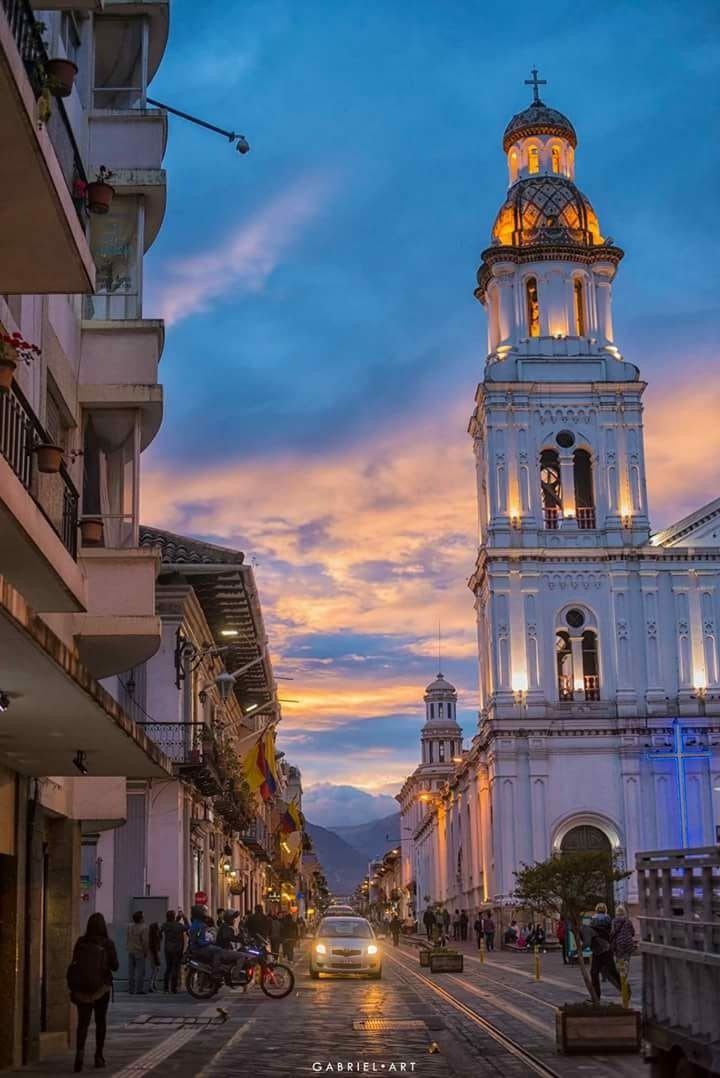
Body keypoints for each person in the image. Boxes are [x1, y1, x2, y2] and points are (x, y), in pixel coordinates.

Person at [68, 912, 119, 1072]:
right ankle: (98, 1056)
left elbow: (74, 963)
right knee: (100, 1021)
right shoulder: (107, 943)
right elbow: (115, 966)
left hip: (82, 990)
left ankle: (80, 1055)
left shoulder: (81, 942)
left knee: (82, 1023)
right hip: (101, 988)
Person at [590, 903, 622, 998]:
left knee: (594, 972)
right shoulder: (609, 920)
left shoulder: (593, 920)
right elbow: (612, 934)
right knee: (612, 970)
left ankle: (596, 995)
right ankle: (624, 988)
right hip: (607, 949)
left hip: (597, 949)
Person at [188, 904, 225, 972]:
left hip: (194, 948)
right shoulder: (200, 925)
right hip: (199, 948)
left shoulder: (194, 923)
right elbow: (199, 941)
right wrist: (209, 942)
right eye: (204, 912)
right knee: (218, 950)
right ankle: (215, 970)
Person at [160, 910, 187, 993]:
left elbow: (160, 932)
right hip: (177, 949)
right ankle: (173, 988)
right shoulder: (179, 925)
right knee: (175, 968)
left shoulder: (165, 925)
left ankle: (165, 987)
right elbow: (188, 927)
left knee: (168, 967)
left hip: (168, 948)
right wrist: (184, 917)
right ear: (174, 916)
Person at [126, 911, 148, 994]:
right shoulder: (144, 928)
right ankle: (139, 989)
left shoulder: (129, 926)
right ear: (140, 919)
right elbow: (145, 942)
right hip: (139, 951)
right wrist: (145, 952)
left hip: (130, 950)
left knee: (131, 971)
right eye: (143, 916)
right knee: (140, 971)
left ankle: (131, 989)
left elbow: (127, 937)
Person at [610, 905, 635, 976]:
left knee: (619, 959)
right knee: (627, 958)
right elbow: (633, 932)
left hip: (619, 943)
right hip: (628, 942)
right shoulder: (628, 921)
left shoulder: (614, 921)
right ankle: (626, 966)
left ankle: (622, 975)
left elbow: (612, 933)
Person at [147, 923, 161, 992]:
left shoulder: (152, 936)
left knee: (155, 969)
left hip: (153, 953)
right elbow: (155, 949)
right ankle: (151, 985)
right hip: (154, 954)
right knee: (155, 969)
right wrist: (157, 959)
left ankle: (153, 984)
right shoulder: (154, 937)